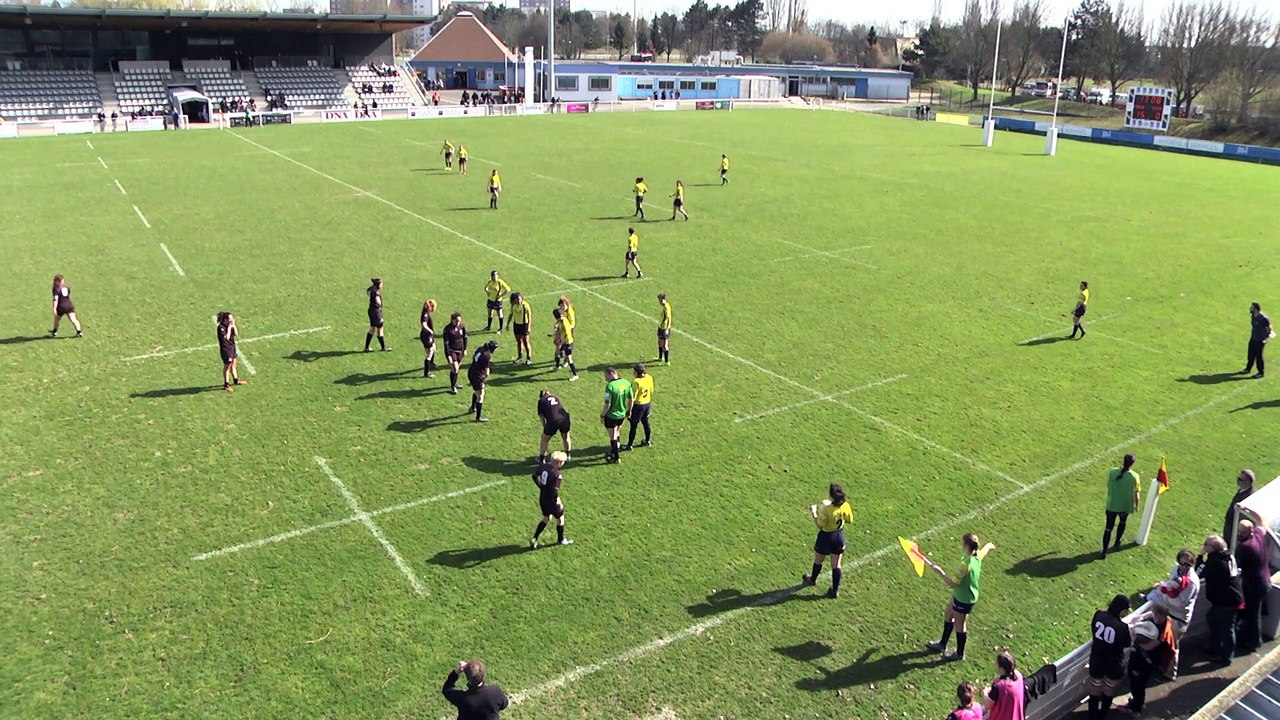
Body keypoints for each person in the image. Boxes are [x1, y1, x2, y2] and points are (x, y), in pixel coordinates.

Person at [926, 533, 996, 661]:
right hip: (960, 594)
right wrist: (989, 546)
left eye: (962, 543)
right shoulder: (975, 557)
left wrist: (940, 572)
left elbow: (953, 584)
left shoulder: (966, 566)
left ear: (966, 545)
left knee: (960, 625)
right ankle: (942, 644)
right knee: (948, 613)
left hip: (964, 598)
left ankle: (959, 653)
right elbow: (983, 552)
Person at [1146, 548, 1199, 676]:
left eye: (1188, 565)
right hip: (1169, 613)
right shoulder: (1175, 570)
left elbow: (1180, 603)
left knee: (1172, 647)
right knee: (1160, 641)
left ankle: (1170, 674)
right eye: (1182, 563)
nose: (1184, 567)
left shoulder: (1192, 582)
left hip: (1179, 619)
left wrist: (1162, 594)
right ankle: (1159, 667)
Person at [801, 482, 854, 598]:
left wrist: (814, 512)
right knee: (836, 564)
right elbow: (850, 520)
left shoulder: (826, 509)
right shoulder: (845, 505)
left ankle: (812, 579)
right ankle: (835, 590)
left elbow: (820, 525)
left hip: (826, 537)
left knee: (818, 560)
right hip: (839, 536)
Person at [1197, 534, 1243, 665]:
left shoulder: (1215, 562)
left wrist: (1200, 556)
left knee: (1227, 628)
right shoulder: (1228, 556)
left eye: (1206, 544)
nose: (1204, 546)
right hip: (1229, 598)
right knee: (1212, 618)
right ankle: (1215, 647)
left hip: (1227, 601)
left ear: (1213, 548)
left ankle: (1226, 657)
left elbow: (1198, 572)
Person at [1086, 594, 1132, 720]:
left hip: (1097, 659)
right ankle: (1102, 716)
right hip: (1113, 662)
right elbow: (1127, 643)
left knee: (1095, 688)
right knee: (1109, 688)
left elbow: (1094, 631)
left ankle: (1092, 716)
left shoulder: (1098, 615)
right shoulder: (1122, 627)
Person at [1125, 607, 1176, 715]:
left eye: (1160, 617)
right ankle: (1137, 702)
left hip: (1146, 661)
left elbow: (1149, 647)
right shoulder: (1153, 618)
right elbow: (1141, 618)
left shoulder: (1163, 631)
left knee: (1138, 682)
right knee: (1136, 680)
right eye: (1155, 615)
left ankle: (1135, 708)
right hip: (1142, 657)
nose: (1157, 619)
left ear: (1165, 617)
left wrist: (1136, 638)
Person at [1235, 519, 1268, 654]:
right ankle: (1250, 637)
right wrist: (1248, 510)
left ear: (1248, 532)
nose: (1239, 534)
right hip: (1264, 581)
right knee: (1254, 610)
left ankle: (1253, 642)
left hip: (1254, 585)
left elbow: (1235, 566)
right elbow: (1262, 523)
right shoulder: (1258, 536)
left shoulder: (1245, 547)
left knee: (1253, 614)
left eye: (1240, 532)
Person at [530, 451, 572, 548]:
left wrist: (541, 486)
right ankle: (561, 539)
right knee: (560, 519)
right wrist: (557, 500)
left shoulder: (543, 467)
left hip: (543, 498)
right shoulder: (557, 474)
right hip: (552, 501)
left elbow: (534, 476)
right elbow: (554, 491)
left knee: (546, 518)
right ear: (559, 462)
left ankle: (535, 538)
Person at [441, 659, 508, 720]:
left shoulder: (463, 698)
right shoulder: (495, 691)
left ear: (468, 678)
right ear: (483, 674)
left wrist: (456, 672)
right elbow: (504, 704)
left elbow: (447, 689)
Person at [1101, 453, 1139, 558]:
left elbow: (1109, 485)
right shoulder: (1135, 476)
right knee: (1122, 522)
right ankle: (1117, 542)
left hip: (1112, 504)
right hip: (1125, 506)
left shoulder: (1113, 472)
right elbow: (1136, 493)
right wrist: (1136, 505)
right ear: (1133, 464)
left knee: (1108, 528)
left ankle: (1104, 550)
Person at [600, 367, 633, 463]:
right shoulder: (626, 382)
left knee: (613, 436)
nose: (605, 378)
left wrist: (602, 415)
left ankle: (616, 457)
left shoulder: (610, 386)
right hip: (622, 415)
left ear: (611, 374)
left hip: (611, 416)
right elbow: (631, 398)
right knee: (617, 431)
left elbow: (608, 403)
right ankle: (615, 448)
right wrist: (629, 411)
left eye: (606, 376)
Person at [982, 653, 1025, 720]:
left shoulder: (998, 686)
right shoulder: (1018, 676)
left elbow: (988, 705)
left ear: (1001, 668)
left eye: (996, 664)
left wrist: (984, 694)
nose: (995, 665)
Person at [622, 364, 653, 451]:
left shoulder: (636, 382)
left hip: (638, 406)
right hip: (647, 403)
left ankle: (629, 445)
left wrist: (629, 410)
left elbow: (632, 397)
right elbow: (651, 390)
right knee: (646, 422)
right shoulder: (649, 377)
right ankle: (647, 440)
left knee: (633, 426)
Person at [537, 389, 572, 463]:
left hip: (553, 420)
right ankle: (568, 455)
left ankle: (542, 459)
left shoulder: (541, 401)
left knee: (544, 439)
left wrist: (545, 428)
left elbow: (542, 417)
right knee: (566, 437)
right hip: (564, 418)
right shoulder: (556, 397)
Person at [216, 311, 247, 392]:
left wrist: (234, 325)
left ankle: (236, 380)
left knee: (234, 364)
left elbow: (235, 334)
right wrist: (229, 328)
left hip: (232, 347)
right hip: (226, 349)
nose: (231, 320)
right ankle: (226, 384)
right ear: (225, 319)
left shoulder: (229, 325)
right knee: (227, 366)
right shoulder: (221, 327)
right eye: (230, 319)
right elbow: (227, 337)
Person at [468, 340, 497, 423]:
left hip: (471, 372)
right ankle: (478, 417)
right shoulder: (487, 356)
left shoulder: (480, 349)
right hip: (478, 376)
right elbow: (487, 372)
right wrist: (484, 377)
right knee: (481, 394)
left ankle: (472, 407)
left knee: (476, 391)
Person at [1240, 302, 1271, 378]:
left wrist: (1266, 337)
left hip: (1260, 340)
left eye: (1252, 307)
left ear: (1256, 309)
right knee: (1250, 354)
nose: (1250, 308)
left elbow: (1268, 329)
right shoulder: (1253, 316)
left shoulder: (1263, 318)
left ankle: (1261, 372)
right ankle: (1248, 369)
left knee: (1258, 356)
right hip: (1253, 338)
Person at [1225, 469, 1256, 541]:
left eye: (1240, 479)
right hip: (1230, 525)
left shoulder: (1250, 496)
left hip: (1235, 529)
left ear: (1248, 481)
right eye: (1238, 478)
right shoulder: (1242, 489)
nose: (1238, 481)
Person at [442, 312, 468, 395]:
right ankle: (453, 387)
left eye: (459, 321)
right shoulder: (447, 329)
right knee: (455, 368)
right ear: (452, 320)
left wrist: (465, 349)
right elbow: (446, 343)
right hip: (452, 351)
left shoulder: (461, 326)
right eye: (456, 321)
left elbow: (465, 338)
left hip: (460, 350)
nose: (458, 322)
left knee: (456, 369)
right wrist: (448, 355)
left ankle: (454, 383)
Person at [551, 308, 579, 381]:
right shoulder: (560, 320)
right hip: (564, 341)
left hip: (568, 342)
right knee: (557, 353)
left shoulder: (564, 322)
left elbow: (567, 334)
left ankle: (575, 375)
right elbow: (558, 326)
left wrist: (562, 344)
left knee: (569, 359)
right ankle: (557, 366)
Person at [364, 277, 389, 352]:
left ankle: (367, 347)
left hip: (371, 311)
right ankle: (383, 347)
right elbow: (378, 302)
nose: (382, 285)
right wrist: (379, 304)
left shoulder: (371, 289)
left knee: (372, 328)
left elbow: (368, 292)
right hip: (376, 312)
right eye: (381, 284)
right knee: (380, 328)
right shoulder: (376, 292)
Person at [509, 291, 533, 364]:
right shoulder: (513, 305)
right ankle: (520, 357)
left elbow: (529, 317)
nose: (518, 301)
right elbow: (511, 314)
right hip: (516, 325)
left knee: (526, 342)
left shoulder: (525, 305)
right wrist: (508, 324)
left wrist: (529, 327)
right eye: (517, 299)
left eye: (519, 299)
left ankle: (529, 358)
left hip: (524, 325)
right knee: (519, 341)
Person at [420, 299, 438, 378]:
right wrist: (430, 330)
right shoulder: (425, 315)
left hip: (428, 336)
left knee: (433, 347)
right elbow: (424, 324)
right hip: (426, 336)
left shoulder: (426, 312)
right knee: (429, 353)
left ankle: (431, 363)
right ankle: (426, 373)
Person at [656, 293, 672, 364]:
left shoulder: (666, 307)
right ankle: (660, 357)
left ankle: (666, 361)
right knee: (659, 342)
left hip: (664, 328)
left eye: (660, 300)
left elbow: (667, 318)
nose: (659, 302)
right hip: (661, 327)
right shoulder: (665, 306)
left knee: (665, 345)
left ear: (663, 299)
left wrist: (666, 329)